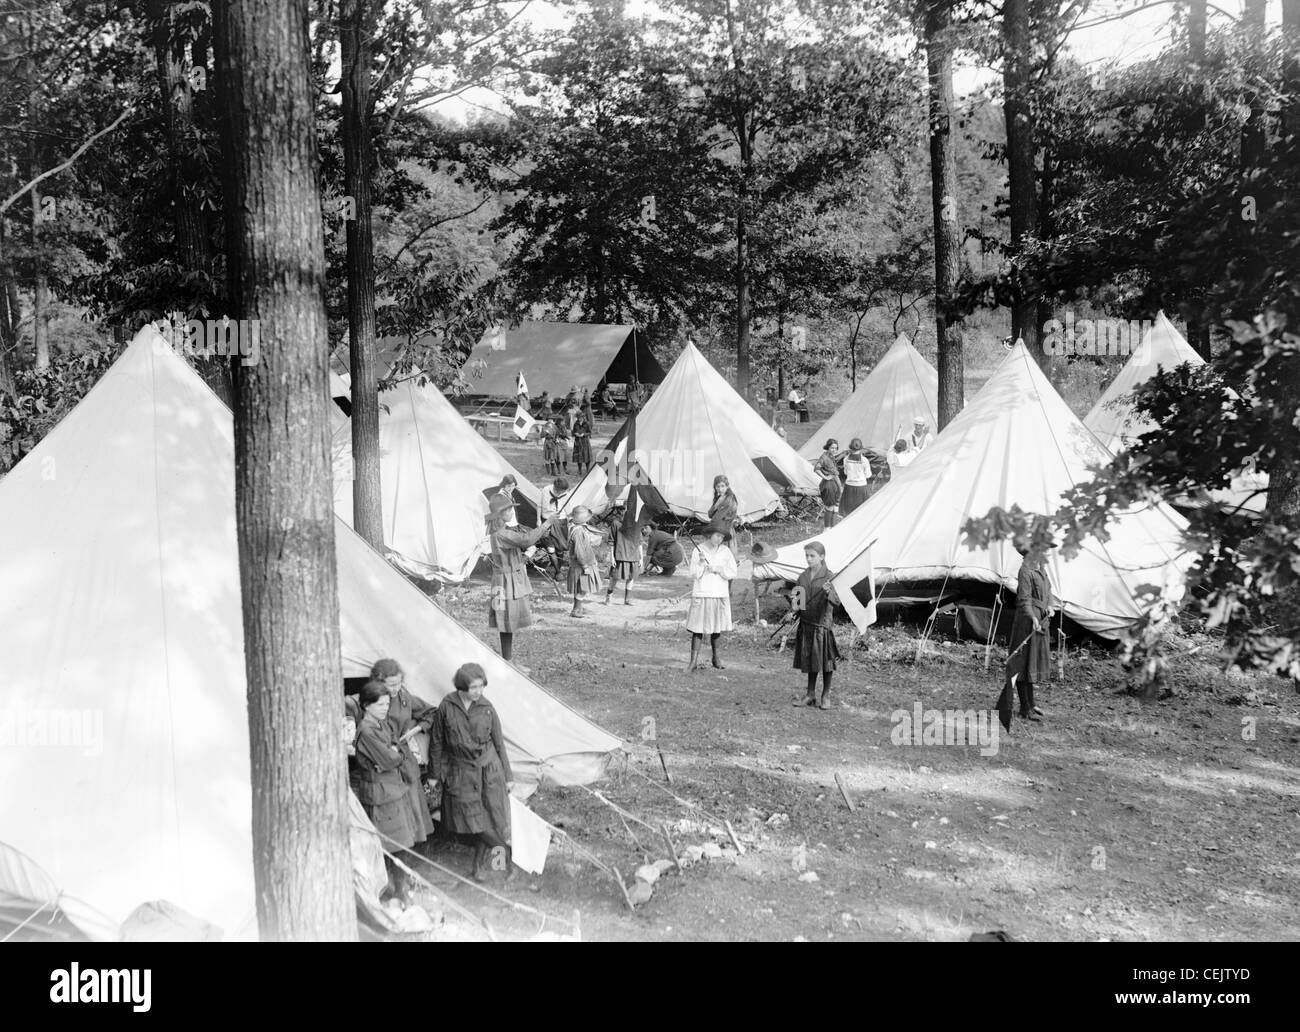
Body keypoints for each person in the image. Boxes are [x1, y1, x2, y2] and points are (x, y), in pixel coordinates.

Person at [429, 663, 515, 884]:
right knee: (475, 822)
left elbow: (499, 744)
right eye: (474, 687)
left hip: (489, 771)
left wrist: (508, 776)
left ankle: (491, 866)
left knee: (489, 820)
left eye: (481, 686)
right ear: (461, 687)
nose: (479, 691)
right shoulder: (447, 707)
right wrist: (434, 774)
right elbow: (437, 742)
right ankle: (506, 853)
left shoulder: (487, 708)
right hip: (462, 772)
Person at [352, 680, 428, 899]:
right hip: (381, 794)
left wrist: (394, 752)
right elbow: (390, 759)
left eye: (387, 704)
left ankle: (398, 888)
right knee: (393, 844)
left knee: (401, 842)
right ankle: (397, 891)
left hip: (392, 789)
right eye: (380, 705)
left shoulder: (382, 724)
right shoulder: (366, 731)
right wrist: (393, 753)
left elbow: (395, 747)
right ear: (367, 705)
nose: (385, 708)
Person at [371, 658, 435, 846]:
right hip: (383, 757)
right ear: (379, 682)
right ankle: (394, 846)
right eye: (391, 685)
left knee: (412, 801)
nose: (395, 688)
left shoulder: (404, 699)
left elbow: (431, 712)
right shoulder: (371, 701)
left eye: (398, 683)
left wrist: (415, 730)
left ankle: (414, 844)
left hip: (404, 758)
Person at [486, 493, 556, 663]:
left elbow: (519, 547)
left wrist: (524, 557)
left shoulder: (501, 532)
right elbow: (527, 539)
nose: (512, 512)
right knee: (506, 621)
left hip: (504, 580)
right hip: (505, 583)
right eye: (509, 509)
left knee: (506, 622)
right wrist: (547, 522)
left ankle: (506, 659)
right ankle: (507, 660)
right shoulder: (502, 534)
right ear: (500, 514)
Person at [998, 540, 1053, 730]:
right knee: (1023, 663)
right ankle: (1024, 707)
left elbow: (1048, 591)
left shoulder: (1041, 569)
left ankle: (1031, 702)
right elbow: (1024, 599)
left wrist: (1050, 606)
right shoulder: (1025, 570)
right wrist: (1032, 617)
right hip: (1027, 622)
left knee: (1033, 662)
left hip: (1041, 618)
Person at [790, 541, 842, 710]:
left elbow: (837, 602)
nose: (809, 559)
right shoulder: (803, 576)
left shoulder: (830, 576)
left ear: (822, 556)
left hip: (822, 626)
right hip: (807, 625)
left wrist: (829, 593)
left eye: (812, 556)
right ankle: (810, 694)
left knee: (826, 662)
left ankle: (825, 695)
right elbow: (798, 603)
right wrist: (793, 609)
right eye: (807, 555)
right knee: (811, 660)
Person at [686, 521, 738, 671]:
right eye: (717, 536)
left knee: (717, 627)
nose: (719, 539)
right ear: (709, 535)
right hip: (702, 592)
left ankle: (716, 658)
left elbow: (732, 571)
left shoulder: (725, 552)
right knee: (698, 628)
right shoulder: (699, 550)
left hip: (719, 592)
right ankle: (693, 661)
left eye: (722, 537)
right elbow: (694, 573)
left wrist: (720, 569)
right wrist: (701, 563)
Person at [567, 505, 602, 618]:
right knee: (583, 588)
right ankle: (576, 610)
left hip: (581, 563)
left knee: (581, 587)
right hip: (581, 564)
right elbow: (579, 551)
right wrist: (585, 566)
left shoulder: (577, 528)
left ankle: (578, 608)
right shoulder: (578, 532)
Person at [840, 439, 872, 515]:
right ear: (861, 448)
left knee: (849, 511)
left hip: (849, 486)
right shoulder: (864, 460)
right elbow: (868, 475)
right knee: (862, 510)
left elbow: (845, 472)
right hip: (861, 487)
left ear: (850, 448)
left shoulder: (846, 459)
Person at [707, 474, 739, 542]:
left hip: (724, 530)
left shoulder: (730, 499)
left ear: (727, 486)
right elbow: (710, 514)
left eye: (722, 486)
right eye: (717, 487)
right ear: (715, 487)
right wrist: (716, 504)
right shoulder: (719, 498)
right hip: (718, 529)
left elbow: (717, 518)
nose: (720, 489)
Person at [572, 404, 593, 474]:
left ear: (583, 417)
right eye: (578, 417)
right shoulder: (576, 423)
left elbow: (589, 432)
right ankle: (579, 470)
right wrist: (575, 434)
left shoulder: (587, 423)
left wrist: (584, 434)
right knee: (579, 456)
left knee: (586, 455)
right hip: (578, 441)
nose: (579, 419)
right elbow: (573, 432)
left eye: (580, 417)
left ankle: (588, 469)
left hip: (585, 441)